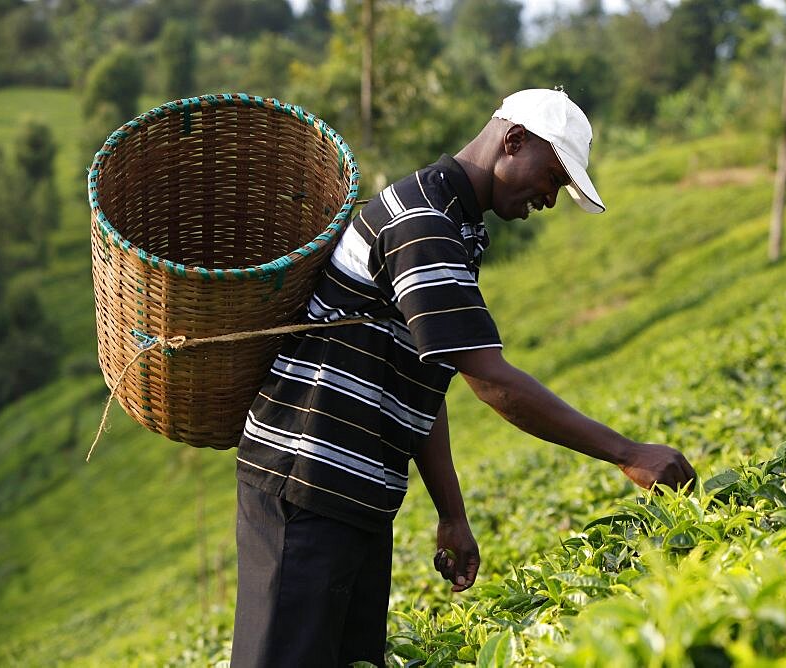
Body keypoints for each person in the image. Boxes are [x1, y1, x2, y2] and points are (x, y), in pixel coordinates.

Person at [230, 88, 696, 667]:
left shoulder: (460, 228)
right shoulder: (422, 222)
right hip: (305, 485)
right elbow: (491, 380)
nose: (549, 197)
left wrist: (451, 514)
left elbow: (429, 375)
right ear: (513, 141)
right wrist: (627, 453)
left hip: (359, 494)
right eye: (551, 176)